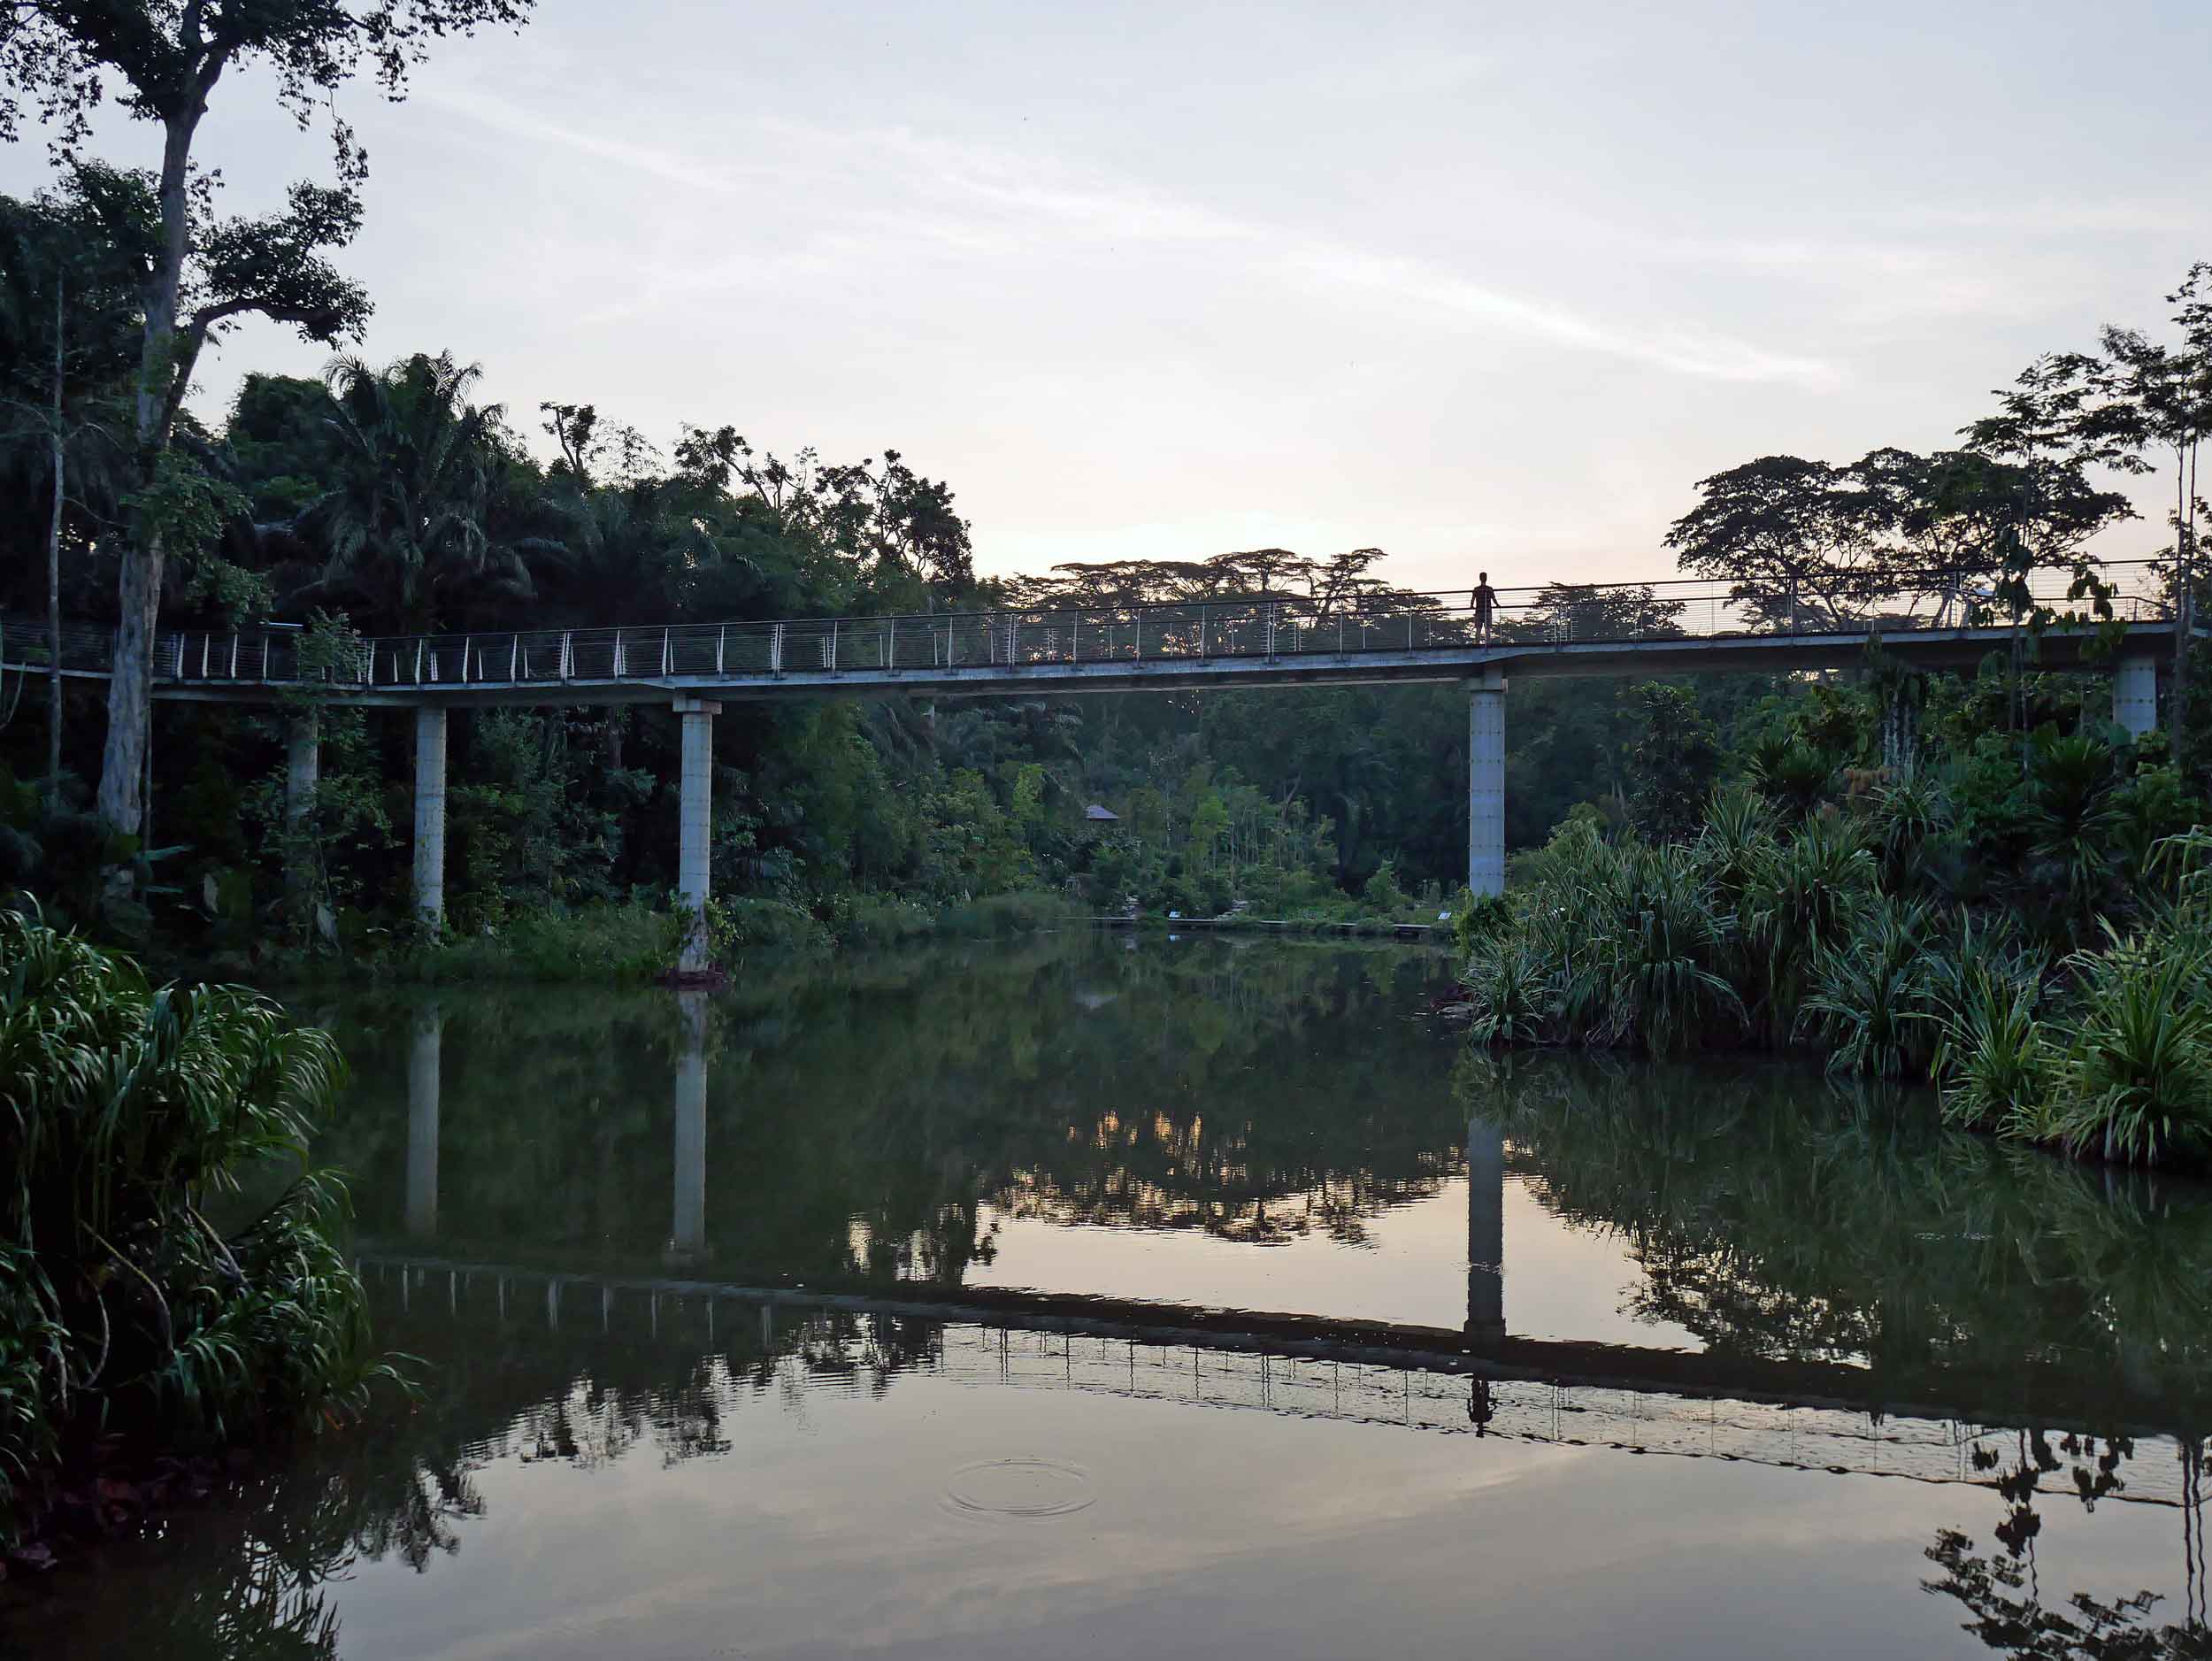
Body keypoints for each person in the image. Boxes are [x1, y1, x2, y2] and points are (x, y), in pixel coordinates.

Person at [1471, 572, 1498, 644]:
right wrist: (1497, 605)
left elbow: (1472, 600)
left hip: (1479, 611)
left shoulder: (1476, 589)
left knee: (1478, 629)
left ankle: (1477, 644)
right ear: (1486, 578)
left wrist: (1471, 606)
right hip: (1487, 611)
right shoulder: (1489, 589)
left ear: (1480, 578)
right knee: (1488, 629)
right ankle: (1488, 643)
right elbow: (1494, 599)